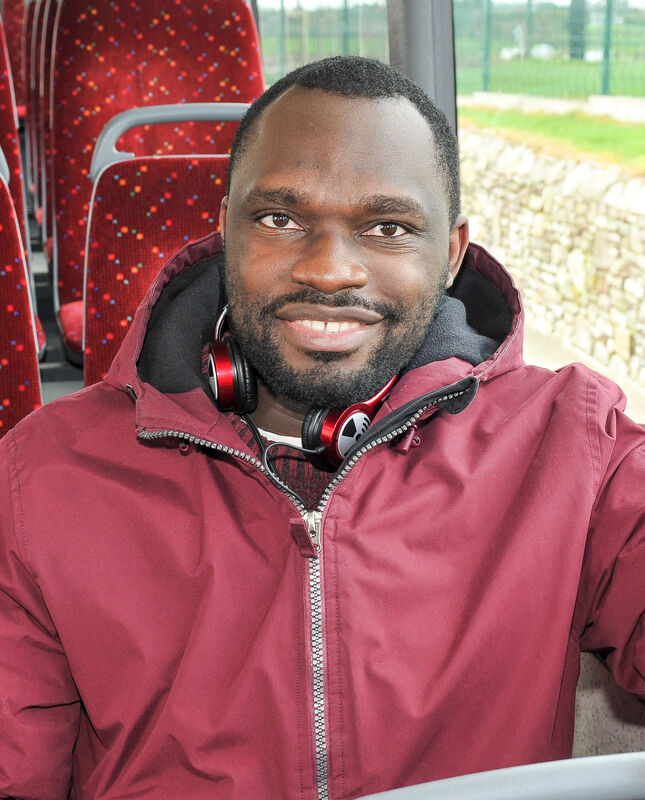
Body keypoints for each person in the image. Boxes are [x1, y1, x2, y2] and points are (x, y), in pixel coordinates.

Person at [0, 55, 643, 800]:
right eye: (280, 218)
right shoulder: (45, 477)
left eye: (386, 226)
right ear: (225, 231)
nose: (331, 270)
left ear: (451, 254)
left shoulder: (571, 443)